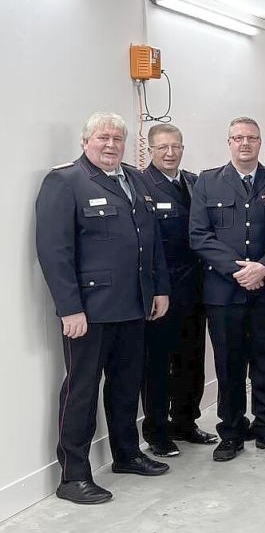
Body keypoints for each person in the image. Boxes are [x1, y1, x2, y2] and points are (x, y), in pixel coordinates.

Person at [36, 111, 171, 504]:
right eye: (102, 138)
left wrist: (158, 289)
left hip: (134, 305)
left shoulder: (135, 178)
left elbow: (152, 240)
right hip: (90, 311)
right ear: (85, 142)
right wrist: (69, 309)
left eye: (117, 138)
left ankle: (126, 454)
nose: (111, 145)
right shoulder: (65, 182)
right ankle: (72, 475)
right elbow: (54, 252)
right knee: (81, 390)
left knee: (127, 386)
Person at [189, 117, 265, 462]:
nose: (245, 143)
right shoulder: (207, 182)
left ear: (261, 143)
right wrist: (240, 270)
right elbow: (200, 236)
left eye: (251, 138)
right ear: (229, 142)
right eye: (238, 138)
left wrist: (264, 266)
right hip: (224, 293)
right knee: (228, 365)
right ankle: (230, 432)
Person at [140, 124, 217, 458]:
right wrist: (158, 289)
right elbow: (147, 245)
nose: (169, 153)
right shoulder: (141, 185)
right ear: (150, 150)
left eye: (175, 147)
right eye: (162, 148)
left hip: (194, 290)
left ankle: (185, 422)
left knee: (191, 361)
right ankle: (157, 432)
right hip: (162, 293)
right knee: (158, 365)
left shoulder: (193, 182)